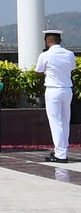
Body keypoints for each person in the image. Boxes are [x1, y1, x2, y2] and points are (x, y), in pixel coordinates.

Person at [35, 28, 76, 163]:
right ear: (60, 40)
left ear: (48, 42)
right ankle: (63, 150)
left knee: (55, 122)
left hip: (53, 90)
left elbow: (38, 71)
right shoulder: (69, 54)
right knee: (65, 121)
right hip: (67, 89)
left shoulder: (45, 55)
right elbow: (72, 68)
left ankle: (60, 154)